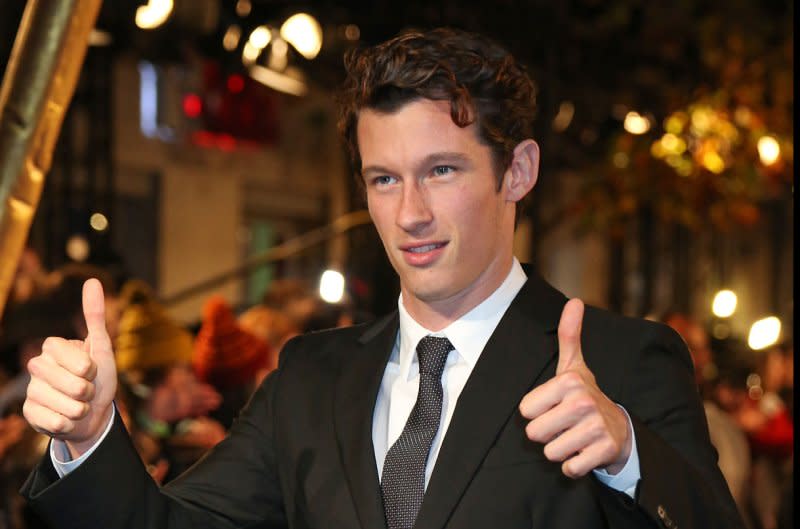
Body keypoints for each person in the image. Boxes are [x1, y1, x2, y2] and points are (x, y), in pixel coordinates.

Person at [20, 28, 743, 529]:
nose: (410, 213)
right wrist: (88, 440)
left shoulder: (622, 364)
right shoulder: (309, 378)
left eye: (441, 170)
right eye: (384, 178)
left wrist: (625, 453)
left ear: (517, 171)